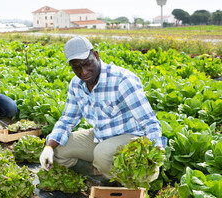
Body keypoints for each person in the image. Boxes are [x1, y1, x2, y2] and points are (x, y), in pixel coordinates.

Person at [39, 36, 166, 185]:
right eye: (77, 67)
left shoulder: (122, 80)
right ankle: (103, 178)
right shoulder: (76, 84)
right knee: (59, 149)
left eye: (87, 64)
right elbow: (67, 120)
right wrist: (49, 147)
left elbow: (149, 122)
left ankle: (131, 187)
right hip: (102, 137)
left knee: (102, 152)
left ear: (96, 56)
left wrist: (154, 154)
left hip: (132, 137)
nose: (84, 72)